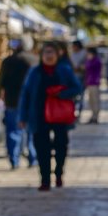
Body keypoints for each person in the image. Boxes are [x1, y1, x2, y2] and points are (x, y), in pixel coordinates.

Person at [19, 42, 81, 191]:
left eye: (51, 52)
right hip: (39, 115)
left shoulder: (64, 70)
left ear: (57, 54)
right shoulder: (35, 72)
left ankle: (59, 173)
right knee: (42, 148)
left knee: (61, 146)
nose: (49, 56)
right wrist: (22, 116)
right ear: (41, 55)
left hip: (60, 116)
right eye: (46, 52)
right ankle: (45, 179)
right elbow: (26, 94)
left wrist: (62, 93)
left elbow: (77, 88)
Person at [0, 39, 37, 169]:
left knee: (13, 130)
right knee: (31, 131)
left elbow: (0, 81)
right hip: (31, 102)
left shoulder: (8, 61)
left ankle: (14, 159)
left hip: (12, 101)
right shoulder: (34, 60)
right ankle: (32, 157)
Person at [84, 47, 102, 124]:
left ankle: (95, 116)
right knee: (91, 101)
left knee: (95, 101)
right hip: (90, 82)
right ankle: (93, 115)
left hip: (94, 83)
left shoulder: (96, 61)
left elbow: (88, 67)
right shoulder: (90, 60)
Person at [70, 40, 87, 117]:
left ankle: (79, 113)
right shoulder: (72, 54)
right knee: (73, 97)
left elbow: (86, 66)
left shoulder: (84, 54)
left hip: (81, 77)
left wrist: (79, 68)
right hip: (73, 77)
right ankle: (73, 112)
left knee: (80, 96)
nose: (73, 48)